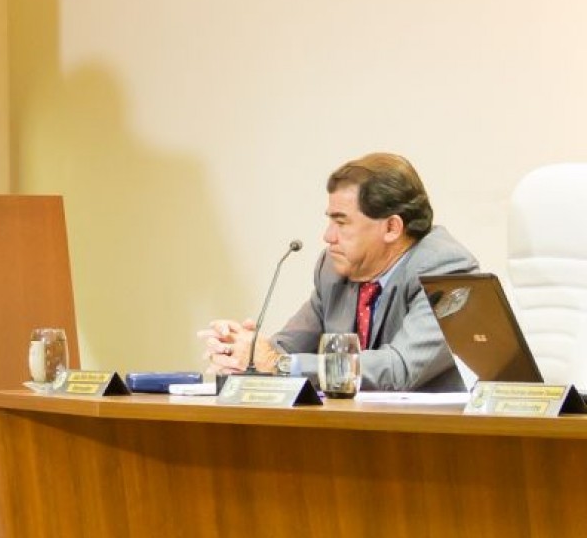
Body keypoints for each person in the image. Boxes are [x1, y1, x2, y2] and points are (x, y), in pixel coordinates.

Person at [201, 152, 480, 392]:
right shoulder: (334, 269)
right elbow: (287, 347)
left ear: (392, 228)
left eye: (342, 222)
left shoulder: (446, 269)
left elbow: (400, 369)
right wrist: (242, 352)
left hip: (424, 441)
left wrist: (276, 363)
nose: (328, 236)